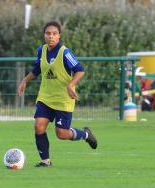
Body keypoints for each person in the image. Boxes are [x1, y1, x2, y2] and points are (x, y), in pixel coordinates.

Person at [17, 21, 97, 167]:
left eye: (54, 34)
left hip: (63, 99)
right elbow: (37, 69)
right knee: (39, 126)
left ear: (59, 35)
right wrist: (25, 81)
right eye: (48, 33)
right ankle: (45, 161)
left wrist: (71, 84)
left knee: (62, 134)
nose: (51, 36)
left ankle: (85, 134)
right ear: (44, 35)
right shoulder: (42, 50)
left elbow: (80, 70)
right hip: (45, 97)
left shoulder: (65, 52)